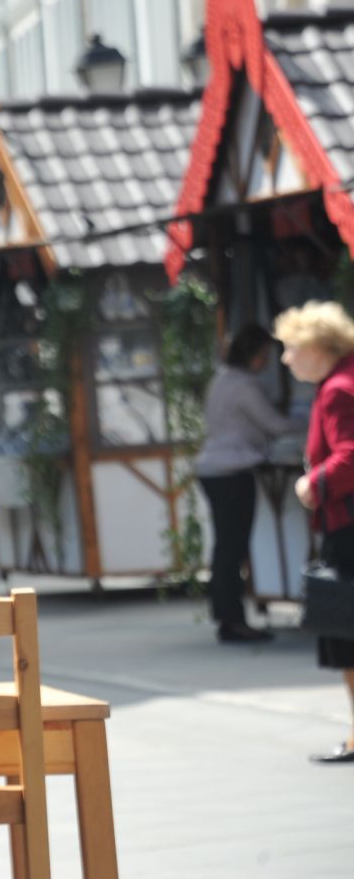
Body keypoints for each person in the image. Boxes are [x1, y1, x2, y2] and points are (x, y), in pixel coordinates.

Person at [272, 301, 354, 763]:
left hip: (348, 529)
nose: (286, 359)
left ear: (318, 347)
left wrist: (313, 483)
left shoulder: (339, 389)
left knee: (347, 637)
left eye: (291, 348)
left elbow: (351, 455)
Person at [194, 324, 299, 643]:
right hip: (232, 471)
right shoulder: (244, 386)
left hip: (214, 469)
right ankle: (232, 619)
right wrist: (310, 421)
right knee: (233, 548)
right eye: (265, 355)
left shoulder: (222, 379)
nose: (267, 362)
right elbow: (274, 425)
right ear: (254, 356)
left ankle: (228, 616)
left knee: (226, 547)